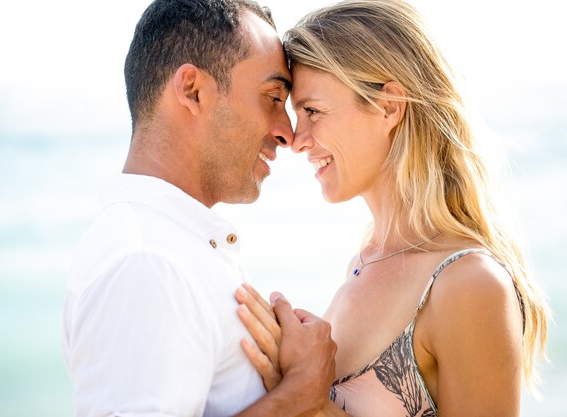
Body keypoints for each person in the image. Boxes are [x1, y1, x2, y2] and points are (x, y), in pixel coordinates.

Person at [236, 0, 549, 416]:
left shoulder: (469, 284)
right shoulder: (363, 261)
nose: (297, 139)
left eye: (312, 111)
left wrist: (304, 398)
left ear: (389, 107)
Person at [61, 1, 337, 416]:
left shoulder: (171, 247)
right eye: (273, 97)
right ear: (192, 90)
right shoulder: (149, 262)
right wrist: (301, 391)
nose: (287, 133)